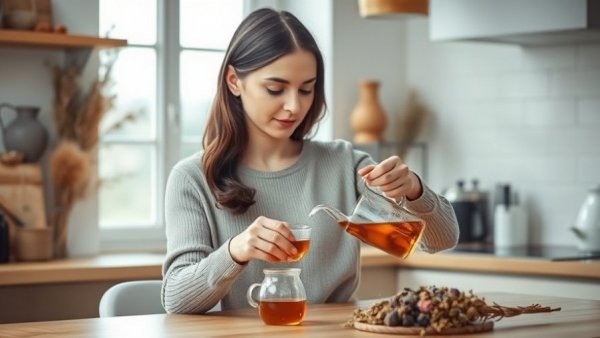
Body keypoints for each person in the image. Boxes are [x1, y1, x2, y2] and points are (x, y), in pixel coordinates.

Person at [162, 7, 459, 314]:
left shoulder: (345, 164)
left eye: (306, 89)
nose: (294, 106)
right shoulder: (193, 178)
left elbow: (441, 240)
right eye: (275, 89)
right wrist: (235, 252)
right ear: (234, 81)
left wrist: (413, 189)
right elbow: (177, 300)